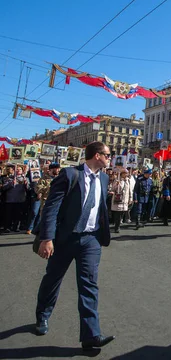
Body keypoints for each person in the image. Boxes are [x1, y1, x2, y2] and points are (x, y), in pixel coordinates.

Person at [34, 141, 115, 350]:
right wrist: (46, 238)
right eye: (108, 154)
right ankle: (43, 315)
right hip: (65, 238)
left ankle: (91, 336)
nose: (110, 157)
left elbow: (101, 209)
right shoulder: (70, 175)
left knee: (89, 285)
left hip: (91, 240)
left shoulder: (104, 178)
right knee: (53, 278)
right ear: (97, 155)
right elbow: (52, 208)